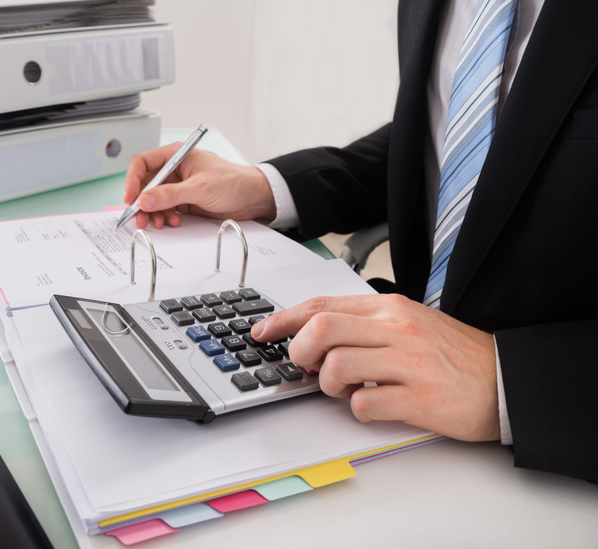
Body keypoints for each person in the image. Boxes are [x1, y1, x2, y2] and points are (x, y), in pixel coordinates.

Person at [122, 0, 598, 482]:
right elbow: (456, 132)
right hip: (393, 419)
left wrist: (503, 381)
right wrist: (269, 187)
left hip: (548, 458)